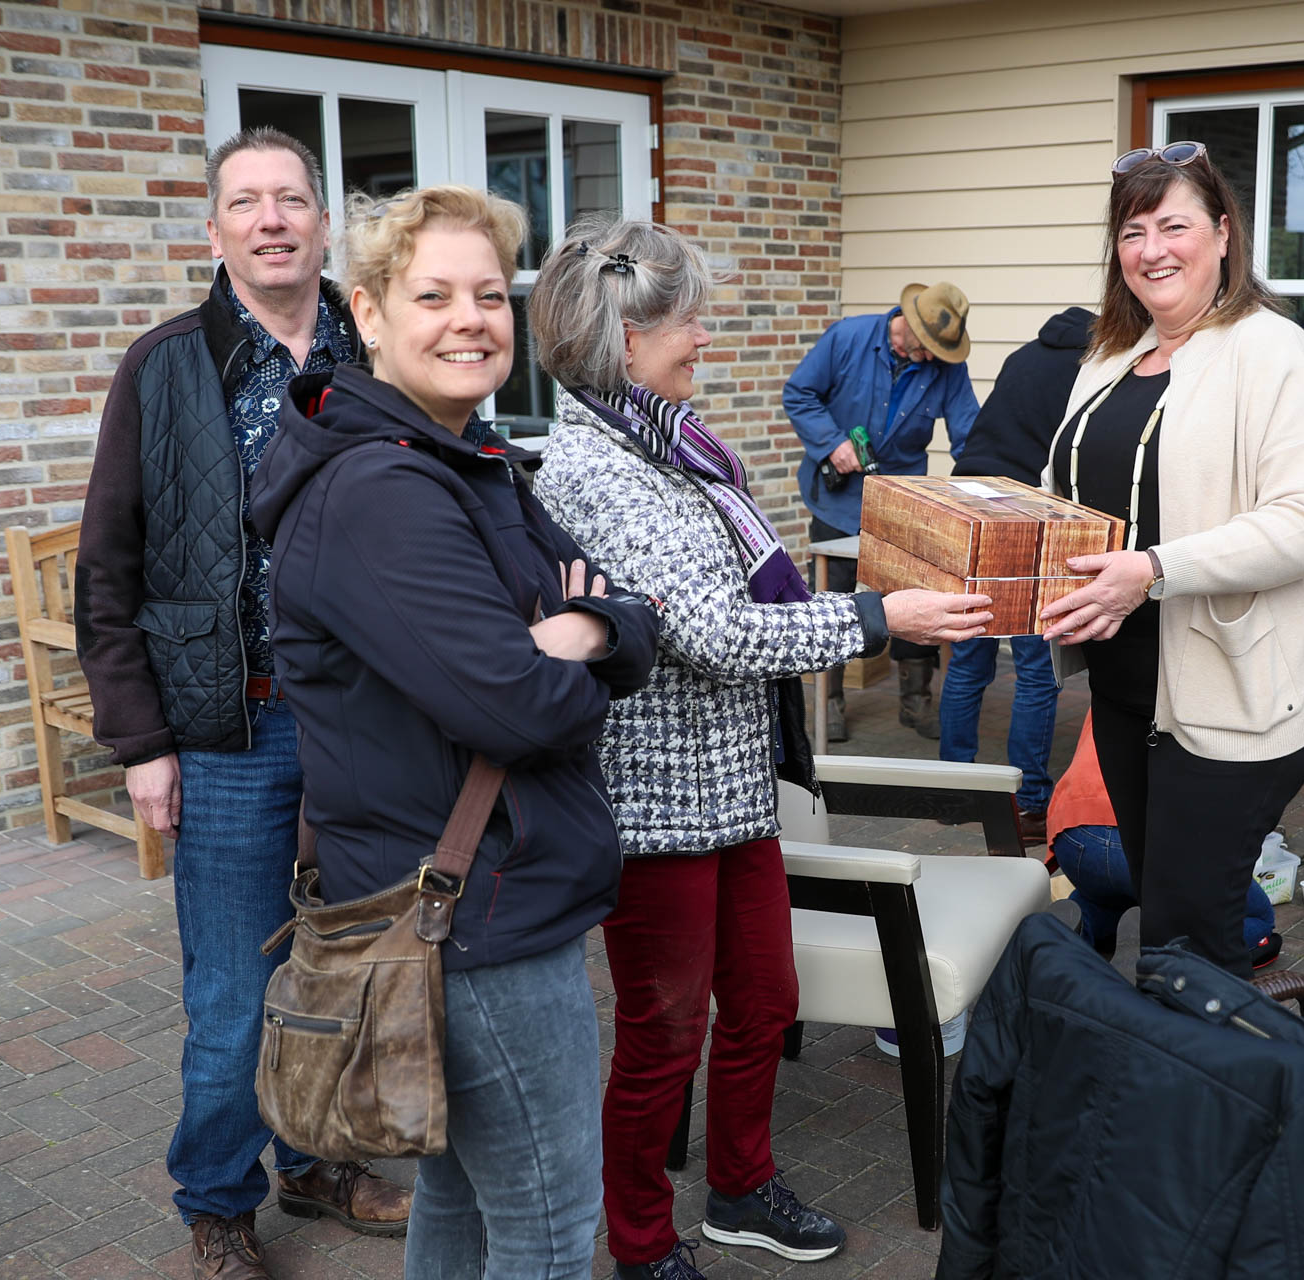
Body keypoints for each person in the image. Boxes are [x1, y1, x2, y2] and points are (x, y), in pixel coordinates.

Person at [529, 216, 993, 1280]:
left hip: (734, 784)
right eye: (686, 319)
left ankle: (741, 1188)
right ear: (624, 337)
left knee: (765, 1001)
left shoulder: (666, 439)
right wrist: (877, 618)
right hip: (656, 803)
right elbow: (717, 632)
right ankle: (640, 1241)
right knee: (663, 1033)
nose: (705, 335)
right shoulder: (597, 469)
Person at [248, 186, 661, 1278]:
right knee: (548, 1223)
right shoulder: (383, 489)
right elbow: (519, 708)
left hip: (474, 895)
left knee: (464, 1197)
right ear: (368, 312)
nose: (470, 319)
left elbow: (631, 615)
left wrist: (582, 629)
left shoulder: (468, 457)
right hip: (470, 917)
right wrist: (570, 645)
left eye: (489, 294)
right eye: (433, 295)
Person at [75, 127, 412, 1278]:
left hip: (365, 722)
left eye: (292, 199)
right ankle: (218, 1199)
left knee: (348, 963)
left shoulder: (375, 351)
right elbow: (108, 568)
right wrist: (140, 739)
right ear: (213, 227)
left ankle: (316, 1157)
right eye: (246, 201)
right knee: (232, 990)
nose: (272, 219)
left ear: (324, 221)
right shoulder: (165, 365)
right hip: (231, 730)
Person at [1036, 140, 1304, 976]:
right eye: (1132, 232)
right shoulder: (1110, 356)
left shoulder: (1274, 350)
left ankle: (1218, 1054)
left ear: (1222, 233)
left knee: (1189, 937)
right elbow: (1070, 494)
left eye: (1173, 226)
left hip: (1233, 695)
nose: (1152, 250)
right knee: (1163, 907)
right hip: (1126, 687)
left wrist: (1152, 570)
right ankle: (1190, 1042)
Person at [784, 281, 981, 741]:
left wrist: (980, 488)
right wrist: (832, 443)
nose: (931, 358)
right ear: (906, 323)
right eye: (926, 346)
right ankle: (829, 701)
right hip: (838, 500)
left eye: (939, 351)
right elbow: (799, 394)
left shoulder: (947, 365)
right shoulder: (847, 338)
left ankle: (916, 701)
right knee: (831, 596)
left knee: (916, 595)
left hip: (901, 503)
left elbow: (969, 434)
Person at [938, 306, 1095, 841]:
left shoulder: (1022, 355)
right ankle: (1029, 805)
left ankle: (953, 792)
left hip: (968, 503)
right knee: (1035, 670)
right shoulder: (1091, 368)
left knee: (967, 659)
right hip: (1024, 514)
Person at [1047, 711, 1278, 966]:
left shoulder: (1119, 684)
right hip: (1140, 834)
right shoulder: (1213, 701)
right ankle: (1157, 951)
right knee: (1258, 917)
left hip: (1072, 835)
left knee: (1106, 899)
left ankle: (1072, 931)